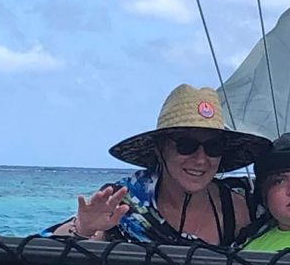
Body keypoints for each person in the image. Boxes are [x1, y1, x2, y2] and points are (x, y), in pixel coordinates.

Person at [51, 84, 271, 245]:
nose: (201, 159)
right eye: (186, 145)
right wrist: (84, 228)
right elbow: (49, 252)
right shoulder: (126, 203)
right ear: (160, 148)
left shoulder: (245, 204)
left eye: (213, 148)